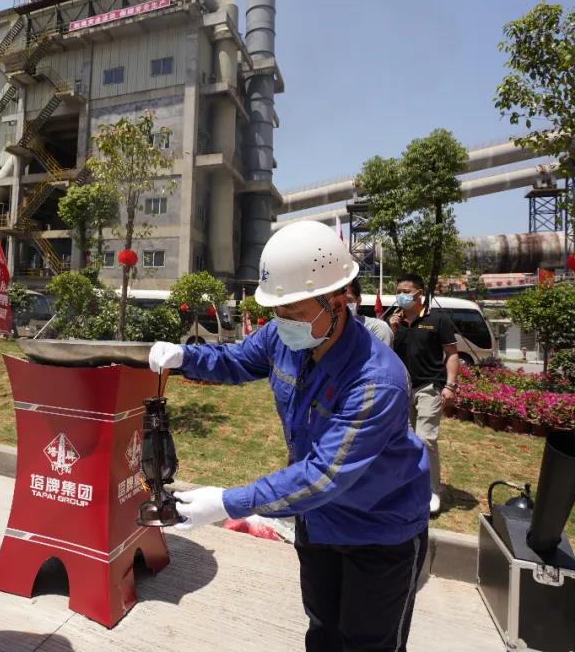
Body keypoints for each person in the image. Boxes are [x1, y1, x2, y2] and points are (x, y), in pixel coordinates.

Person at [148, 220, 430, 652]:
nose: (282, 324)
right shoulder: (285, 336)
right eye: (276, 313)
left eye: (294, 314)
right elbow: (235, 360)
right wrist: (185, 356)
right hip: (318, 523)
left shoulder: (375, 381)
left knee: (367, 643)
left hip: (378, 531)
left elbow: (323, 476)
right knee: (322, 630)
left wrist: (228, 503)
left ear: (338, 301)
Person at [388, 273, 458, 516]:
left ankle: (432, 489)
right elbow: (384, 353)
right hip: (402, 388)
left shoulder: (437, 319)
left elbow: (452, 353)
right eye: (398, 290)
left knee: (426, 438)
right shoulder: (392, 320)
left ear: (419, 293)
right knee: (405, 440)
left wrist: (450, 385)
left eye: (406, 291)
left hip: (429, 386)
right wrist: (392, 330)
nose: (402, 295)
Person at [345, 277, 393, 345]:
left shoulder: (376, 328)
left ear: (358, 300)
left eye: (347, 300)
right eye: (336, 301)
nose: (341, 305)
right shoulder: (327, 330)